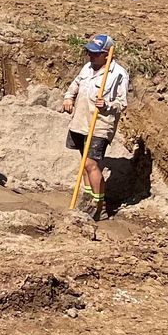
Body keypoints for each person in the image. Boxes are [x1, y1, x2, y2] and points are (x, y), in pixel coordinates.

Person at [62, 34, 129, 218]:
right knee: (85, 164)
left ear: (107, 55)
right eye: (89, 52)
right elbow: (75, 84)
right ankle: (89, 198)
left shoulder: (118, 74)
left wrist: (107, 105)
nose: (90, 56)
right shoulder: (87, 67)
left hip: (99, 124)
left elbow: (122, 103)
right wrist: (69, 97)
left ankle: (99, 204)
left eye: (95, 53)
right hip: (80, 121)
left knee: (91, 164)